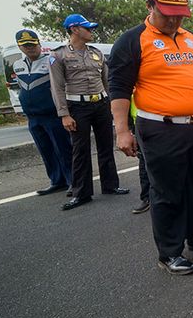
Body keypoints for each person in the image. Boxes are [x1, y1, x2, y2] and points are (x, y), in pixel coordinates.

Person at [108, 0, 193, 275]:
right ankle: (170, 252)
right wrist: (122, 130)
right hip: (161, 129)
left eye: (179, 14)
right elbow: (119, 88)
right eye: (167, 13)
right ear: (150, 6)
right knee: (166, 191)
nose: (174, 20)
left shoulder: (191, 39)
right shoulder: (133, 40)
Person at [49, 14, 128, 211]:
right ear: (74, 29)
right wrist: (64, 114)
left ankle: (110, 185)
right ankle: (81, 193)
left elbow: (107, 81)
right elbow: (57, 87)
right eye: (87, 28)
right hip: (77, 107)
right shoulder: (58, 55)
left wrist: (113, 105)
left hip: (100, 104)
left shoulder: (97, 53)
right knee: (80, 150)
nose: (91, 31)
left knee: (106, 146)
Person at [12, 29, 73, 195]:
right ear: (20, 47)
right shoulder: (18, 66)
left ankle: (73, 181)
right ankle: (56, 180)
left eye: (33, 44)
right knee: (45, 149)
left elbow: (61, 86)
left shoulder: (51, 61)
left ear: (39, 44)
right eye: (25, 46)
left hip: (52, 114)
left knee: (63, 148)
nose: (30, 48)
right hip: (33, 116)